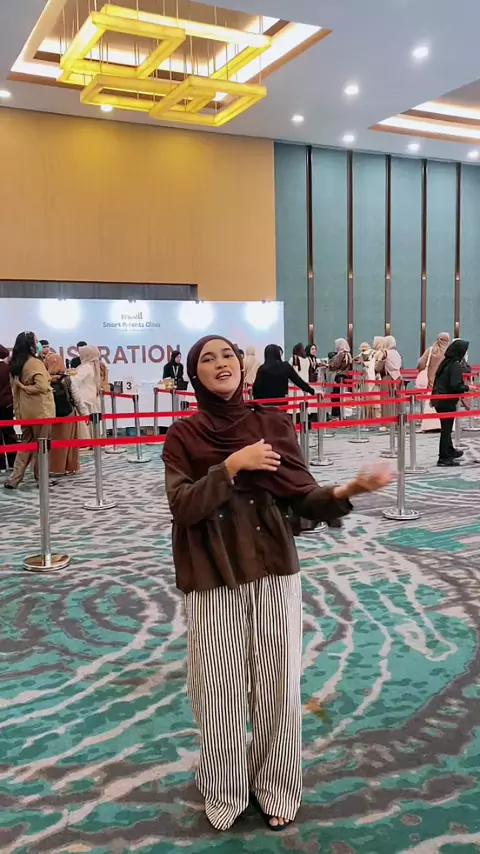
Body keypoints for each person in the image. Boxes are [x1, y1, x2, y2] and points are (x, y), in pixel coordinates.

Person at [162, 335, 392, 833]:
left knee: (278, 685)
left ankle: (278, 786)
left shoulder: (273, 424)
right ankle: (223, 788)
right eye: (207, 359)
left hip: (271, 567)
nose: (220, 364)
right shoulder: (183, 434)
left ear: (242, 366)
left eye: (227, 355)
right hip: (213, 571)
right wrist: (230, 466)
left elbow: (301, 496)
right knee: (217, 689)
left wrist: (351, 488)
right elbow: (183, 507)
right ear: (194, 374)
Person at [4, 332, 55, 490]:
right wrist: (26, 387)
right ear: (31, 345)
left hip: (25, 411)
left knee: (26, 445)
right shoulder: (35, 363)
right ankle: (42, 478)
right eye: (36, 341)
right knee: (43, 445)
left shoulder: (16, 363)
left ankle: (14, 478)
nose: (38, 344)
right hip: (41, 410)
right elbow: (42, 386)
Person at [432, 339, 473, 467]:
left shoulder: (446, 362)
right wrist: (468, 388)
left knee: (446, 428)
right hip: (446, 401)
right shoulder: (454, 365)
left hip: (439, 399)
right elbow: (456, 385)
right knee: (446, 429)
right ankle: (443, 457)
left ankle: (449, 450)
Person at [45, 353, 80, 477]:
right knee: (69, 442)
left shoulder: (44, 379)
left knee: (52, 442)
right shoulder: (68, 379)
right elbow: (76, 397)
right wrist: (84, 413)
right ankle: (70, 467)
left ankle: (54, 468)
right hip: (68, 413)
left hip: (50, 414)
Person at [418, 333, 451, 433]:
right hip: (445, 385)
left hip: (431, 384)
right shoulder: (449, 352)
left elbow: (421, 364)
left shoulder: (431, 350)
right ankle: (444, 425)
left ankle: (429, 426)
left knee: (430, 403)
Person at [70, 345, 102, 416]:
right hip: (90, 399)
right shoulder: (94, 365)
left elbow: (74, 382)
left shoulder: (86, 367)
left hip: (84, 401)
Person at [0, 344, 17, 473]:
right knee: (9, 433)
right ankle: (13, 462)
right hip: (6, 404)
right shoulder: (7, 368)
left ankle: (1, 465)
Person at [328, 338, 353, 419]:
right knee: (340, 397)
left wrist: (329, 364)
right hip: (344, 376)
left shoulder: (341, 354)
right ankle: (341, 415)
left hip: (338, 377)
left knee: (336, 397)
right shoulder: (348, 354)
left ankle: (336, 415)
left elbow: (335, 365)